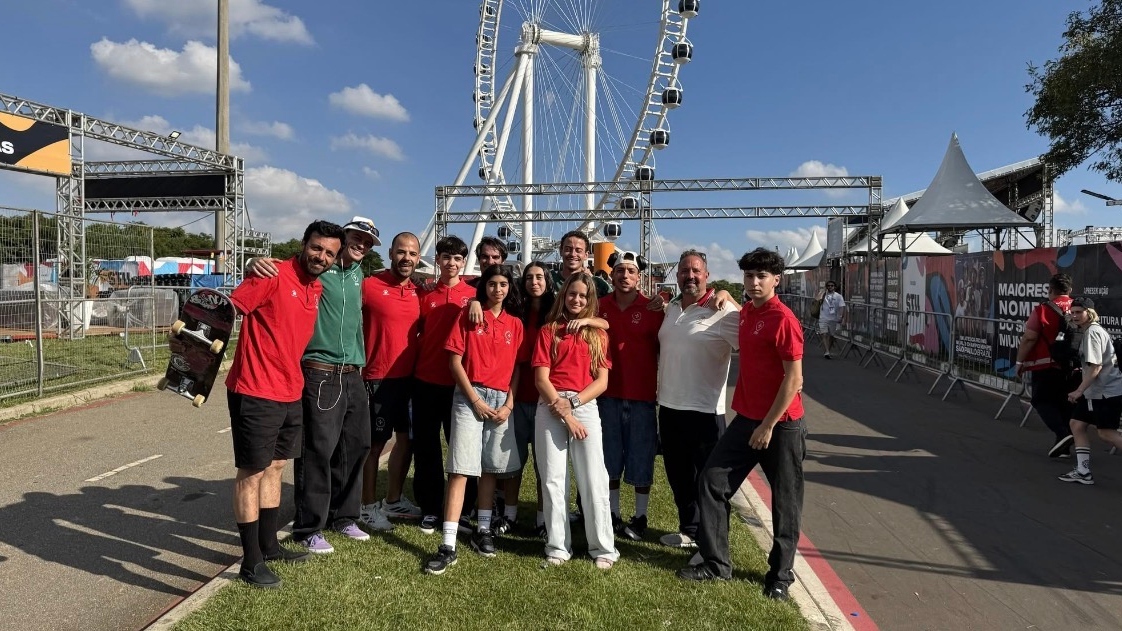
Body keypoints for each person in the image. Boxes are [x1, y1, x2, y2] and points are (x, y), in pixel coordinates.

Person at [246, 216, 382, 552]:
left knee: (358, 446)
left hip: (353, 373)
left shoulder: (358, 276)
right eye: (356, 238)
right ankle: (309, 527)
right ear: (342, 238)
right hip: (321, 371)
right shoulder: (320, 271)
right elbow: (283, 269)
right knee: (318, 450)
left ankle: (345, 517)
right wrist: (252, 262)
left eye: (367, 242)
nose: (361, 245)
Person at [678, 247, 806, 603]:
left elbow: (794, 380)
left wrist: (767, 425)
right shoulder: (748, 311)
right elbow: (728, 305)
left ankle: (780, 576)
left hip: (781, 425)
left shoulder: (784, 320)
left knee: (786, 503)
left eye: (761, 276)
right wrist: (723, 295)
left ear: (776, 280)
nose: (753, 282)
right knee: (712, 482)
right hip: (747, 418)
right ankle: (717, 563)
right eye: (748, 276)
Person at [225, 220, 344, 588]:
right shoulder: (271, 272)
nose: (320, 256)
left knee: (276, 467)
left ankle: (269, 546)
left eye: (328, 253)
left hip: (291, 389)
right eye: (316, 247)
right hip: (256, 389)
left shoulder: (317, 287)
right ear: (303, 244)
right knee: (252, 473)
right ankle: (250, 562)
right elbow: (229, 308)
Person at [424, 265, 524, 574]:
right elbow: (455, 361)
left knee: (489, 468)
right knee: (460, 469)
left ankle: (482, 530)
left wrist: (509, 403)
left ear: (509, 288)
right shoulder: (468, 317)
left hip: (500, 401)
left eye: (503, 284)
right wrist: (475, 399)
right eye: (492, 283)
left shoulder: (515, 324)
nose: (498, 289)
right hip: (470, 397)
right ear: (485, 287)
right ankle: (448, 544)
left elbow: (517, 368)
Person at [533, 272, 619, 569]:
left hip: (582, 404)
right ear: (563, 295)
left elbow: (602, 381)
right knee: (554, 480)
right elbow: (541, 378)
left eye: (583, 296)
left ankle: (603, 547)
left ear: (590, 300)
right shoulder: (549, 331)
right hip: (550, 405)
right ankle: (558, 546)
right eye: (572, 294)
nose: (577, 300)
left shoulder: (598, 335)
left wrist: (572, 405)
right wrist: (562, 408)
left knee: (594, 477)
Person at [656, 249, 740, 549]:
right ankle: (690, 531)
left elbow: (757, 334)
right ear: (677, 276)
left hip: (705, 412)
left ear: (706, 275)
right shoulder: (671, 309)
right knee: (679, 479)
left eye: (695, 271)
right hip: (669, 407)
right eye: (684, 271)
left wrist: (731, 297)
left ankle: (713, 544)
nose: (689, 276)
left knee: (710, 483)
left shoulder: (724, 311)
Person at [412, 236, 479, 533]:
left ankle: (464, 508)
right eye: (446, 257)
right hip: (425, 380)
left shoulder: (474, 295)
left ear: (464, 262)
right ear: (437, 260)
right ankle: (429, 507)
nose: (452, 263)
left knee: (461, 448)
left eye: (457, 259)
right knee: (426, 448)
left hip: (460, 385)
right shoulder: (423, 294)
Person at [597, 250, 664, 540]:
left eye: (631, 271)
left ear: (640, 277)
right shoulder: (598, 307)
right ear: (611, 275)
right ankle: (612, 513)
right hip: (606, 394)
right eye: (620, 271)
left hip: (642, 397)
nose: (625, 276)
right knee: (609, 457)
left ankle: (640, 516)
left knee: (641, 458)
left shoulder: (654, 310)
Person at [359, 232, 422, 532]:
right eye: (401, 252)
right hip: (377, 378)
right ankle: (367, 507)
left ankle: (393, 500)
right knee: (374, 446)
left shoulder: (418, 293)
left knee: (406, 440)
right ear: (391, 254)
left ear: (419, 258)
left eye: (412, 253)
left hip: (409, 379)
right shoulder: (368, 286)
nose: (406, 257)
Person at [495, 262, 554, 537]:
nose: (534, 281)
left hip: (546, 400)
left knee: (545, 465)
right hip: (516, 398)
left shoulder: (556, 313)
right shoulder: (513, 311)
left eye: (539, 276)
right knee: (512, 462)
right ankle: (510, 514)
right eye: (529, 277)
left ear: (547, 280)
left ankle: (543, 520)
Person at [1059, 297, 1122, 485]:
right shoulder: (1088, 331)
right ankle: (1083, 471)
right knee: (1077, 424)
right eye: (1073, 311)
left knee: (1106, 434)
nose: (1075, 315)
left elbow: (1095, 367)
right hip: (1095, 392)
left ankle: (1083, 471)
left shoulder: (1092, 333)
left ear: (1090, 313)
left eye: (1080, 312)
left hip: (1105, 392)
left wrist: (1078, 390)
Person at [1015, 273, 1077, 458]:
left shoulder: (1042, 310)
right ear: (1070, 290)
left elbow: (1029, 338)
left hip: (1046, 365)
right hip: (1073, 366)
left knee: (1041, 401)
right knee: (1065, 405)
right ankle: (1063, 445)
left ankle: (1063, 434)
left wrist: (1020, 362)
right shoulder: (1079, 309)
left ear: (1050, 290)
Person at [551, 230, 612, 296]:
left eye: (578, 251)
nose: (573, 254)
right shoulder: (549, 281)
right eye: (568, 249)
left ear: (586, 255)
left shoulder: (599, 285)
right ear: (561, 251)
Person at [816, 280, 845, 358]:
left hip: (833, 318)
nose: (830, 287)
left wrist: (841, 316)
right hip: (823, 318)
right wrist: (822, 291)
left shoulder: (838, 296)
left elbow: (842, 306)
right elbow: (817, 300)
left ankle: (827, 349)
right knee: (824, 334)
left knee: (832, 336)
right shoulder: (823, 294)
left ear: (834, 287)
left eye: (832, 285)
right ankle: (827, 351)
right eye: (828, 286)